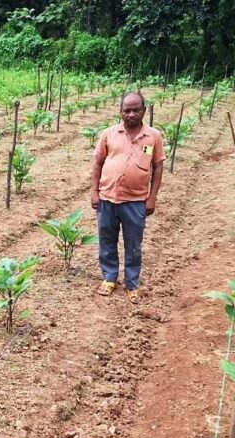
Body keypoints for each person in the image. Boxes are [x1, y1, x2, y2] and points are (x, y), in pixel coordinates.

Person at [90, 92, 165, 304]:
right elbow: (98, 163)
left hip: (135, 201)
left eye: (136, 110)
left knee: (133, 244)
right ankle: (109, 277)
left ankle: (132, 283)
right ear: (120, 111)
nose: (131, 114)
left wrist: (152, 198)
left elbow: (158, 167)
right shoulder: (109, 134)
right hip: (107, 198)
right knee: (107, 240)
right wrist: (94, 192)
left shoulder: (153, 137)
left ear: (144, 111)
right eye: (127, 110)